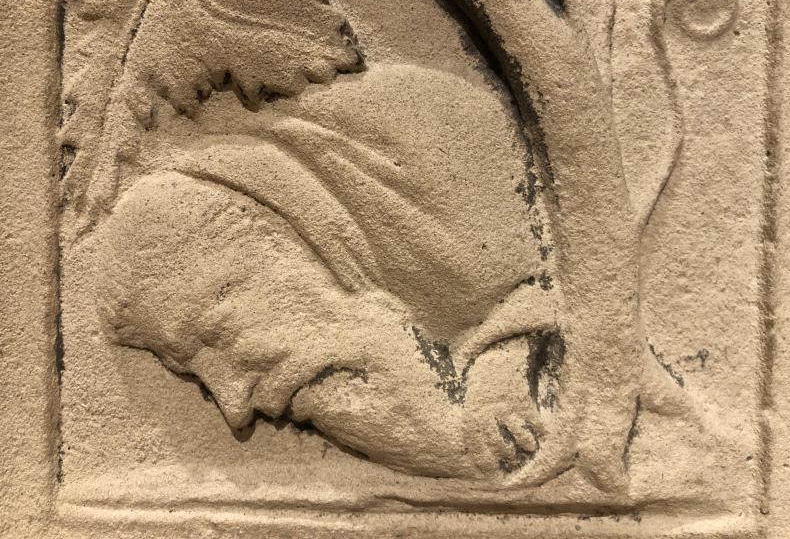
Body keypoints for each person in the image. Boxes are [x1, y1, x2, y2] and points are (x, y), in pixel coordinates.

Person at [94, 63, 566, 480]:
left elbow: (549, 278)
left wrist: (500, 370)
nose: (235, 408)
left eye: (214, 338)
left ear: (260, 256)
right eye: (195, 372)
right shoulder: (325, 299)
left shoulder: (431, 157)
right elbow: (448, 430)